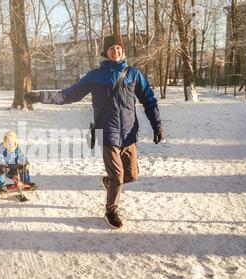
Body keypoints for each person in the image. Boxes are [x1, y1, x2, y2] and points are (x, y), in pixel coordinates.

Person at [24, 35, 165, 229]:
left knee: (131, 176)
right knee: (118, 176)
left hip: (129, 133)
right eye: (111, 48)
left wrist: (157, 124)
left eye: (118, 48)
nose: (115, 51)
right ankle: (111, 210)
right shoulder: (96, 76)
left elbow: (149, 100)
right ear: (105, 52)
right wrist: (39, 96)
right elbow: (67, 95)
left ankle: (108, 181)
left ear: (122, 51)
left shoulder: (133, 74)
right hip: (106, 132)